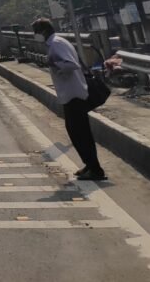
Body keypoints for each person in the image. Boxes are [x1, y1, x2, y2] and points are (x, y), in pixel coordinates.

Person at [32, 17, 105, 181]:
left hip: (74, 94)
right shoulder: (57, 42)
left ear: (43, 31)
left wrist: (55, 65)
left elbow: (72, 64)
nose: (35, 36)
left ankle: (95, 169)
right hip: (70, 94)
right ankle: (90, 165)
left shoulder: (56, 44)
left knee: (80, 133)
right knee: (77, 132)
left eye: (36, 33)